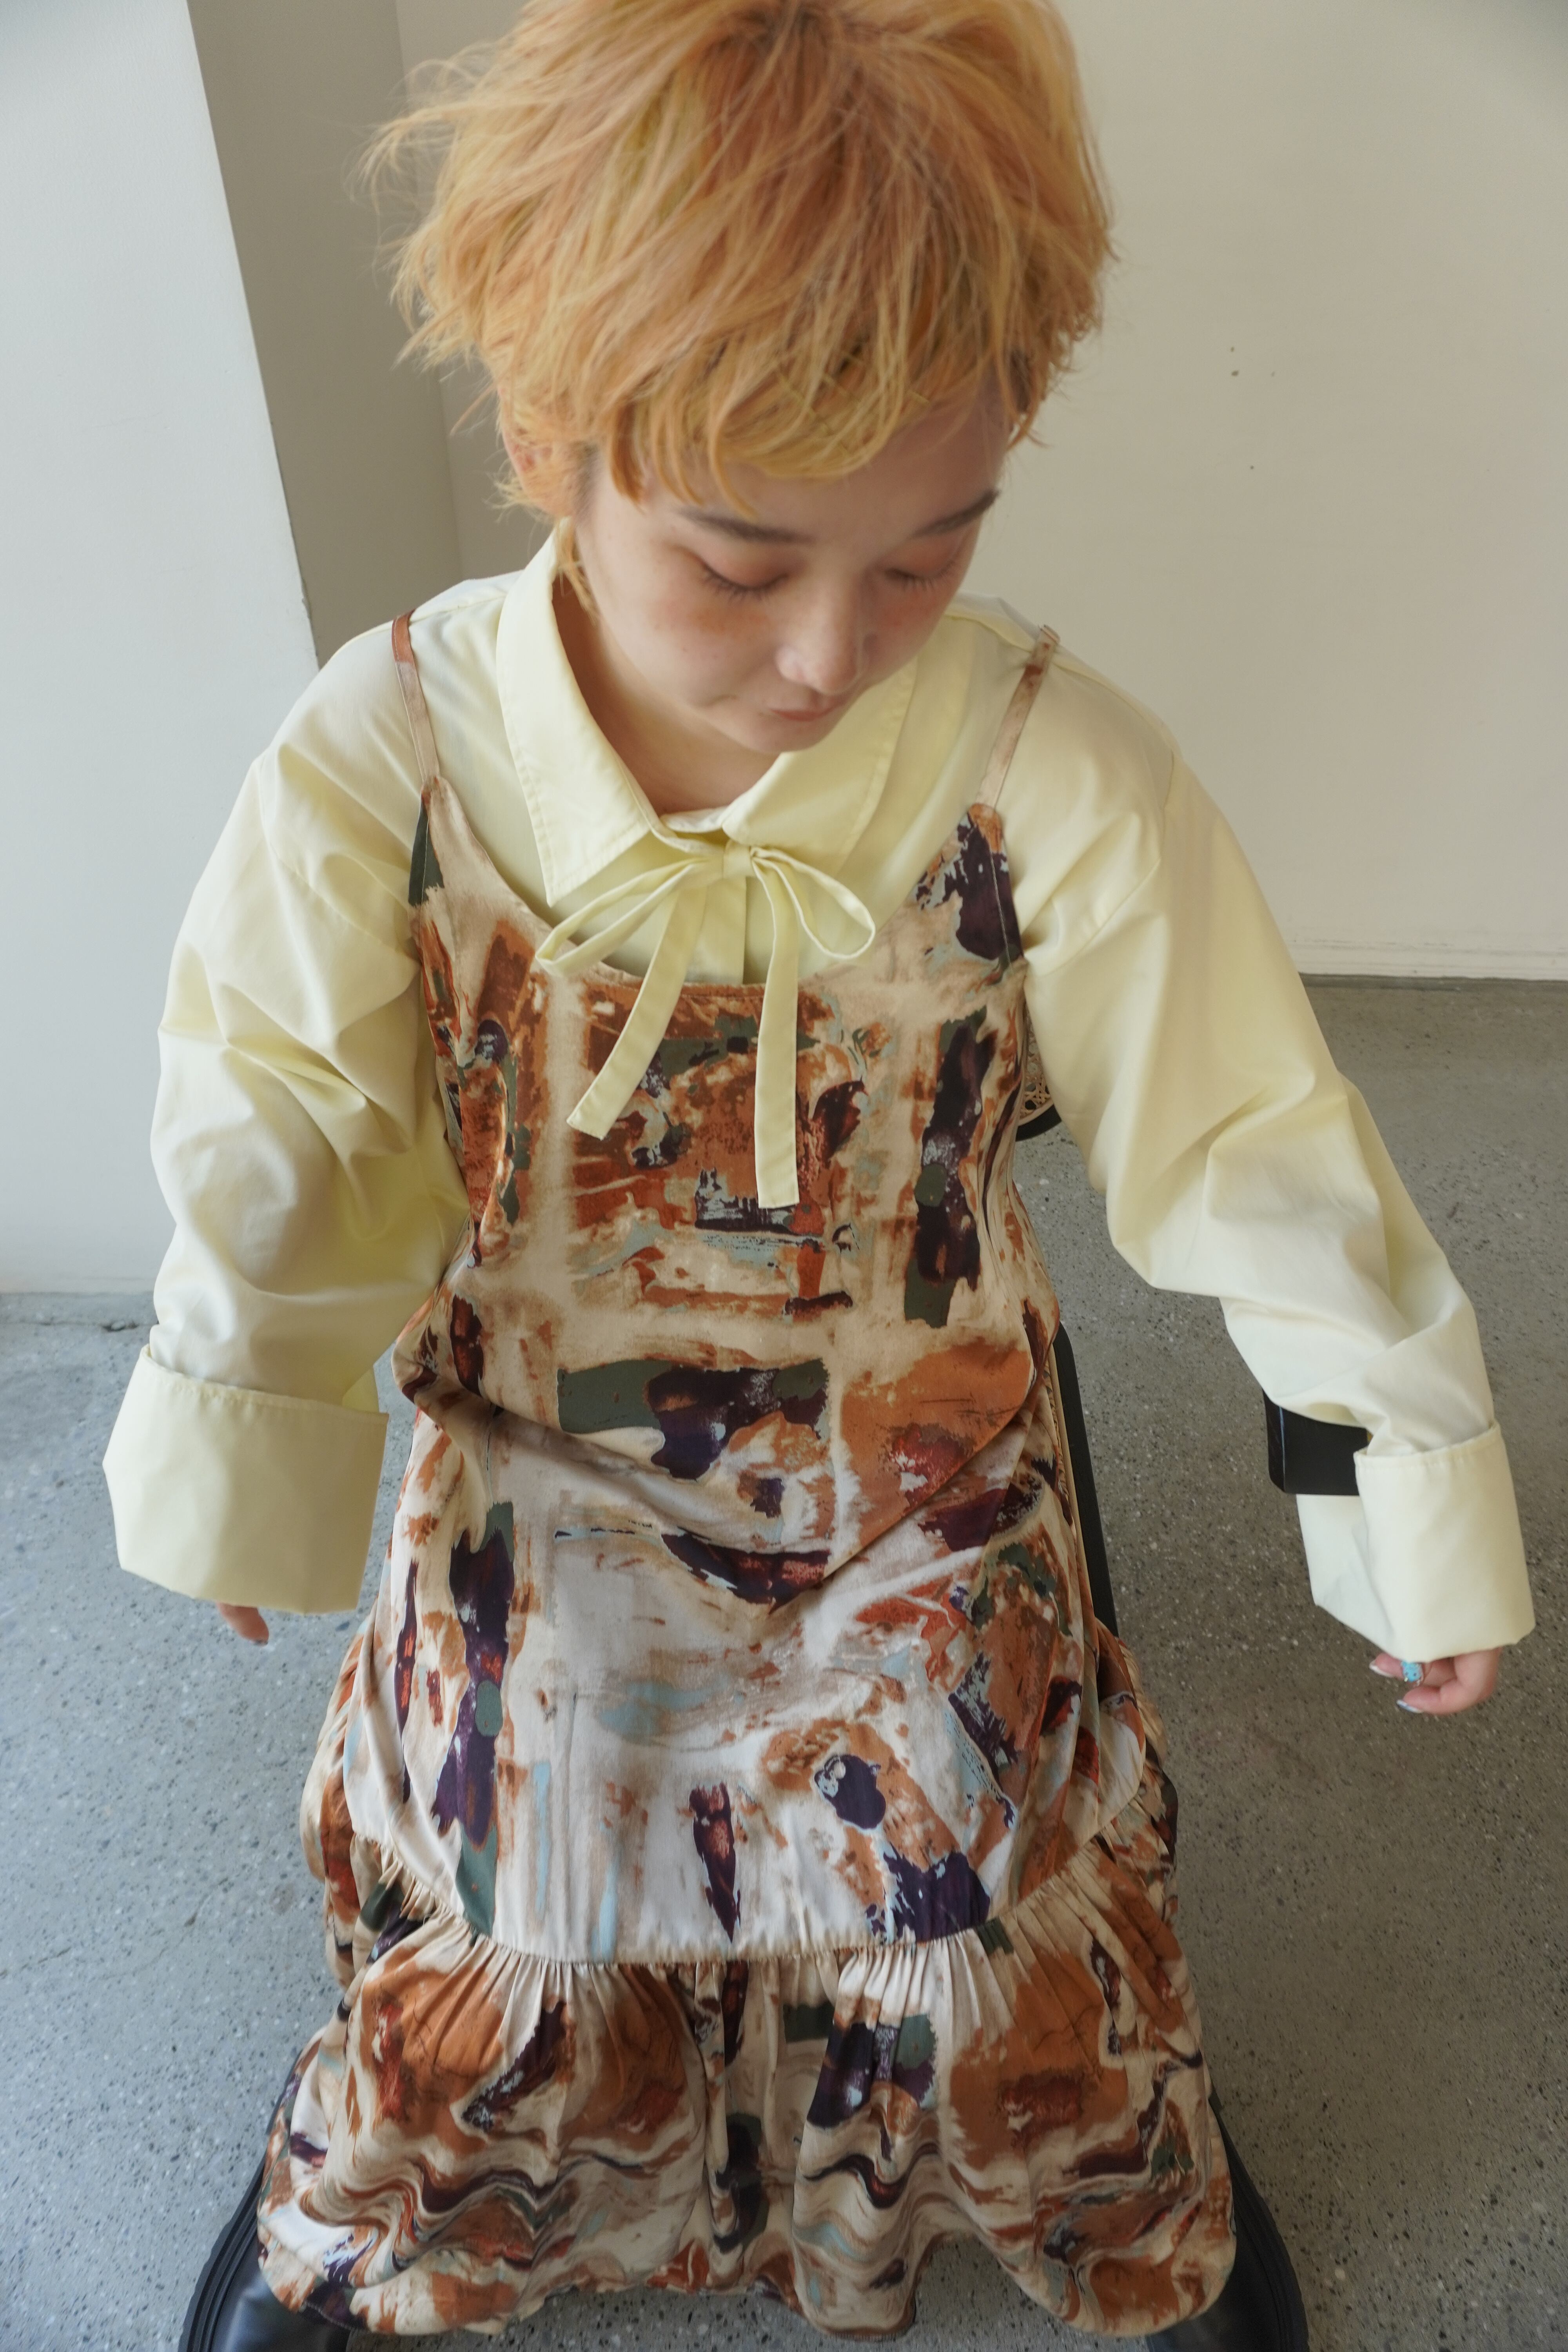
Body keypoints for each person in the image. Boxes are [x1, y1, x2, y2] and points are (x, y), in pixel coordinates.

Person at [104, 3, 1534, 2346]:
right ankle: (438, 2192)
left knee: (958, 1830)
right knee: (535, 1826)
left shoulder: (1052, 763)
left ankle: (1093, 2169)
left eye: (925, 557)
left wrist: (1406, 1486)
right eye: (738, 564)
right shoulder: (391, 753)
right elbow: (285, 1121)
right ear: (548, 438)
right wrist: (242, 1428)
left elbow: (1252, 1136)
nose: (827, 655)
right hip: (543, 1431)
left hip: (924, 1456)